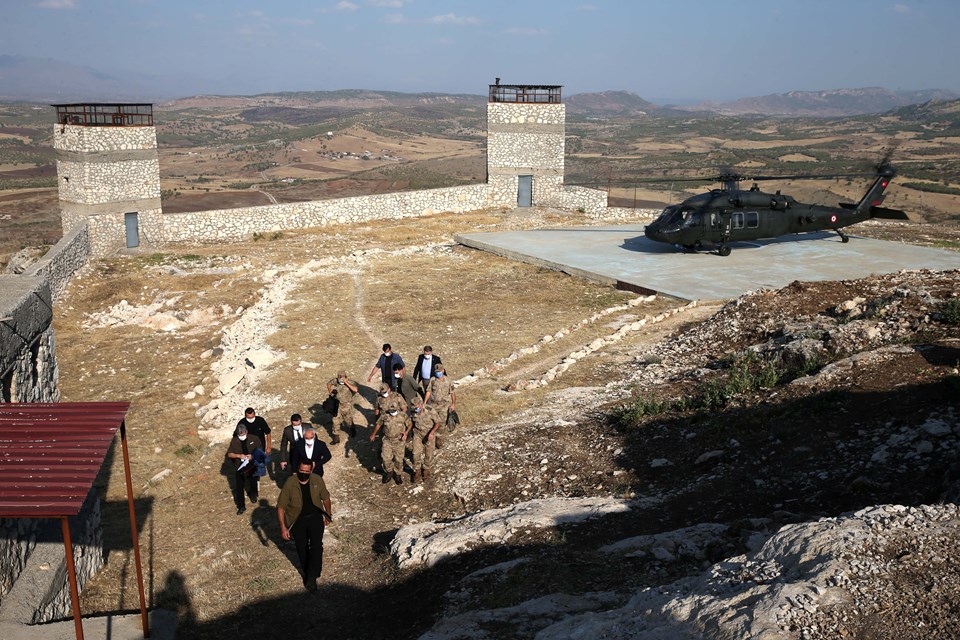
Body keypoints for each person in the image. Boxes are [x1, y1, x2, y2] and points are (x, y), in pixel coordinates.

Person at [277, 461, 333, 593]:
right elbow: (281, 507)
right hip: (297, 520)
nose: (303, 474)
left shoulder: (317, 480)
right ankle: (309, 571)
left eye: (306, 472)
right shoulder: (290, 483)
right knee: (302, 548)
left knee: (316, 546)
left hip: (314, 517)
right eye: (301, 471)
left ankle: (312, 576)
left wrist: (328, 514)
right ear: (298, 469)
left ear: (311, 471)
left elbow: (325, 498)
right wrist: (283, 527)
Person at [369, 403, 410, 485]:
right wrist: (373, 434)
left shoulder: (403, 415)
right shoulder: (385, 415)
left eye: (393, 410)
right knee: (385, 458)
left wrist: (406, 432)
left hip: (399, 441)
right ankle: (389, 472)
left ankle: (398, 474)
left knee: (399, 460)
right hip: (387, 440)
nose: (392, 412)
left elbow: (410, 424)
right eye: (390, 410)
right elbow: (378, 424)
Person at [226, 423, 263, 514]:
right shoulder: (234, 441)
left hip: (252, 464)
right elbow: (229, 454)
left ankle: (253, 495)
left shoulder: (254, 439)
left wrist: (253, 456)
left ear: (246, 432)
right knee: (239, 486)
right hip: (240, 466)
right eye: (239, 435)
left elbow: (261, 452)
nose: (241, 436)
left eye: (242, 435)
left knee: (253, 480)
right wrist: (238, 455)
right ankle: (241, 506)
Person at [409, 397, 442, 483]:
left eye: (417, 407)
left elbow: (438, 422)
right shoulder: (412, 411)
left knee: (429, 453)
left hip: (429, 433)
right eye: (414, 408)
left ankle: (426, 470)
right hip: (417, 433)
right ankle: (417, 471)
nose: (416, 409)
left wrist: (432, 433)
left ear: (421, 404)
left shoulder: (430, 410)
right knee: (415, 453)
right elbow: (411, 422)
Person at [423, 364, 456, 448]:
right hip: (434, 405)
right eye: (436, 372)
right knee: (433, 421)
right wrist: (425, 402)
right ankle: (432, 437)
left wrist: (453, 404)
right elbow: (428, 391)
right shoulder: (433, 380)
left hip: (444, 405)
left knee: (442, 422)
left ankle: (439, 438)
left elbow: (452, 393)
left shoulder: (448, 380)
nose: (438, 373)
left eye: (439, 372)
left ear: (443, 371)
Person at [326, 370, 360, 440]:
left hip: (346, 405)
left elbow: (355, 390)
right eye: (339, 377)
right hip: (337, 404)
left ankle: (352, 428)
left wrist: (346, 383)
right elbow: (329, 384)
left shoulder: (350, 382)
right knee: (335, 420)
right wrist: (330, 392)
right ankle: (336, 437)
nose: (340, 378)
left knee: (348, 419)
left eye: (342, 377)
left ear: (345, 376)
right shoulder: (335, 381)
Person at [278, 414, 308, 478]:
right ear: (291, 423)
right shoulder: (287, 431)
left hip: (307, 453)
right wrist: (283, 460)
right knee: (295, 473)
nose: (297, 426)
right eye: (294, 425)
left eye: (298, 424)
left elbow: (315, 440)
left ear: (301, 421)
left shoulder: (307, 427)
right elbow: (283, 445)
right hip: (294, 453)